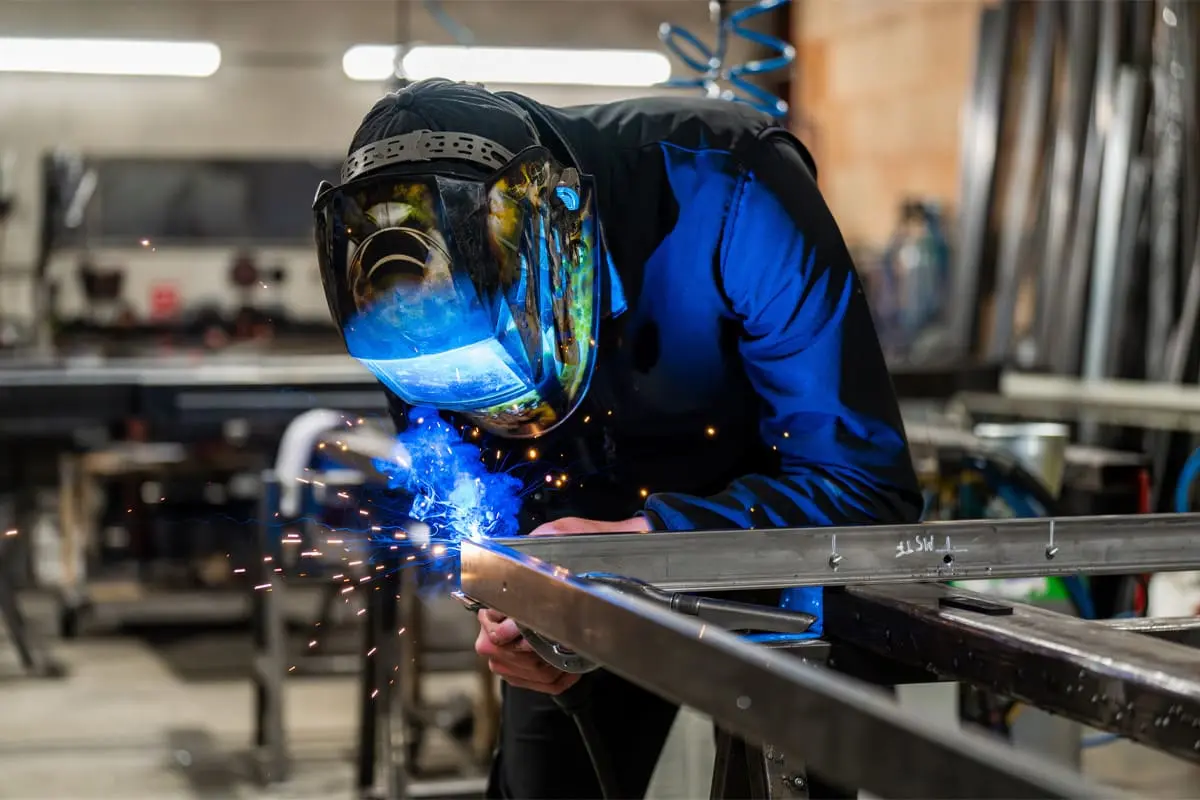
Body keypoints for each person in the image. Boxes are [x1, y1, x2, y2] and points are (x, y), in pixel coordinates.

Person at [314, 78, 922, 799]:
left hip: (773, 540)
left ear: (555, 238)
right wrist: (515, 607)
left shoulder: (735, 185)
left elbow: (866, 490)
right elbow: (478, 495)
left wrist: (647, 544)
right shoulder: (404, 308)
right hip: (582, 553)